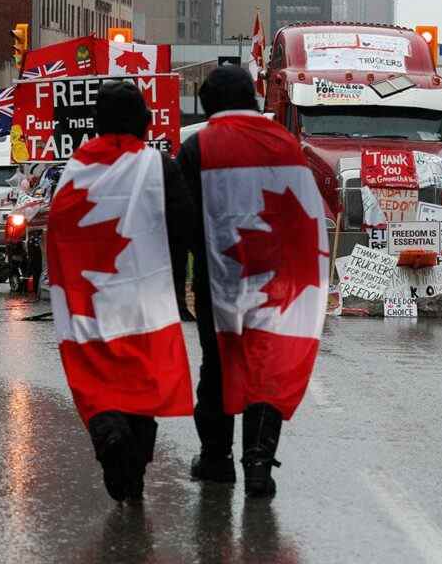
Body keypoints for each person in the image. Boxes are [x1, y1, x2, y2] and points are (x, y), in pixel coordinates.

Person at [176, 66, 329, 498]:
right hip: (280, 281)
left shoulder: (197, 147)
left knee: (219, 365)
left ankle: (217, 460)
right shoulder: (286, 145)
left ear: (208, 105)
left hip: (217, 280)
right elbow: (308, 217)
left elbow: (182, 221)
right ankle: (259, 464)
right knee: (268, 367)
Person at [46, 81, 194, 502]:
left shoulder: (75, 168)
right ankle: (136, 464)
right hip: (144, 295)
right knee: (142, 378)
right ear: (144, 123)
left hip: (90, 296)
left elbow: (59, 231)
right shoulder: (158, 166)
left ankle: (109, 432)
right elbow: (184, 221)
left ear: (96, 123)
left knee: (96, 376)